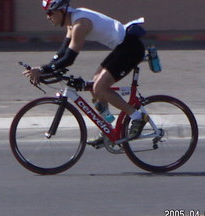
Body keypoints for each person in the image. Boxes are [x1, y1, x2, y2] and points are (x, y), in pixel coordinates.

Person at [23, 0, 149, 148]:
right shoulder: (72, 23)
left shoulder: (80, 24)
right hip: (122, 47)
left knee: (100, 88)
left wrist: (43, 70)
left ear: (62, 11)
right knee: (94, 85)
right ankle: (107, 129)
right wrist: (45, 71)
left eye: (50, 13)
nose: (47, 17)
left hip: (130, 48)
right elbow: (62, 54)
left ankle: (138, 117)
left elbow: (69, 59)